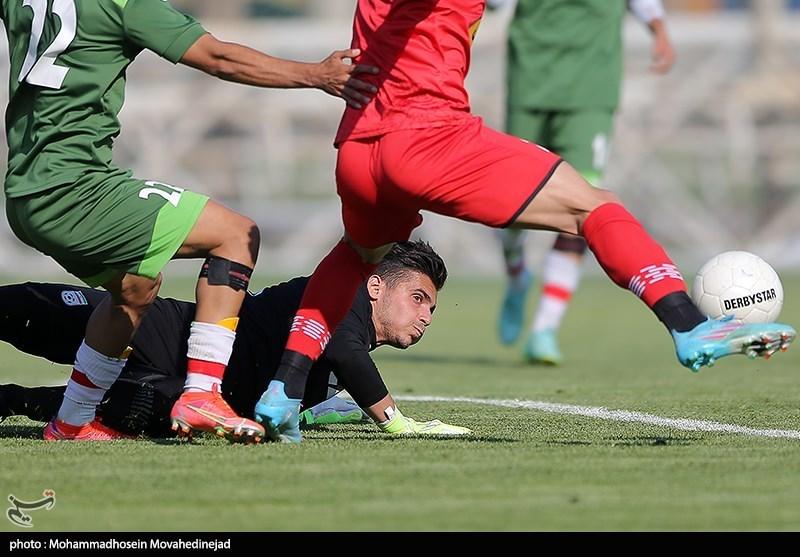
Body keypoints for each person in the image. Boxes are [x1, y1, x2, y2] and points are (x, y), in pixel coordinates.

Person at [253, 0, 796, 444]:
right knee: (593, 206)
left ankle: (285, 389)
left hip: (358, 147)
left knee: (356, 255)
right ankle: (688, 325)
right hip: (428, 134)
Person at [1, 0, 377, 441]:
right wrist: (317, 75)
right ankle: (202, 394)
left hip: (25, 192)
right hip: (74, 187)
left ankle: (71, 422)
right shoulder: (121, 4)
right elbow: (218, 57)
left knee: (134, 290)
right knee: (235, 234)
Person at [0, 241, 470, 438]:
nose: (426, 316)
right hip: (167, 334)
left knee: (120, 407)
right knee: (32, 309)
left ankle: (13, 399)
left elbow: (319, 379)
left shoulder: (350, 352)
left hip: (185, 392)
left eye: (431, 307)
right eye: (418, 298)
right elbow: (344, 352)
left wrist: (324, 410)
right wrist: (396, 422)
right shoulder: (337, 296)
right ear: (375, 286)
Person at [495, 0, 676, 365]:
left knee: (584, 205)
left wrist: (659, 29)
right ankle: (516, 276)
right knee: (507, 204)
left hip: (590, 89)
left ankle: (546, 326)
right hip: (531, 80)